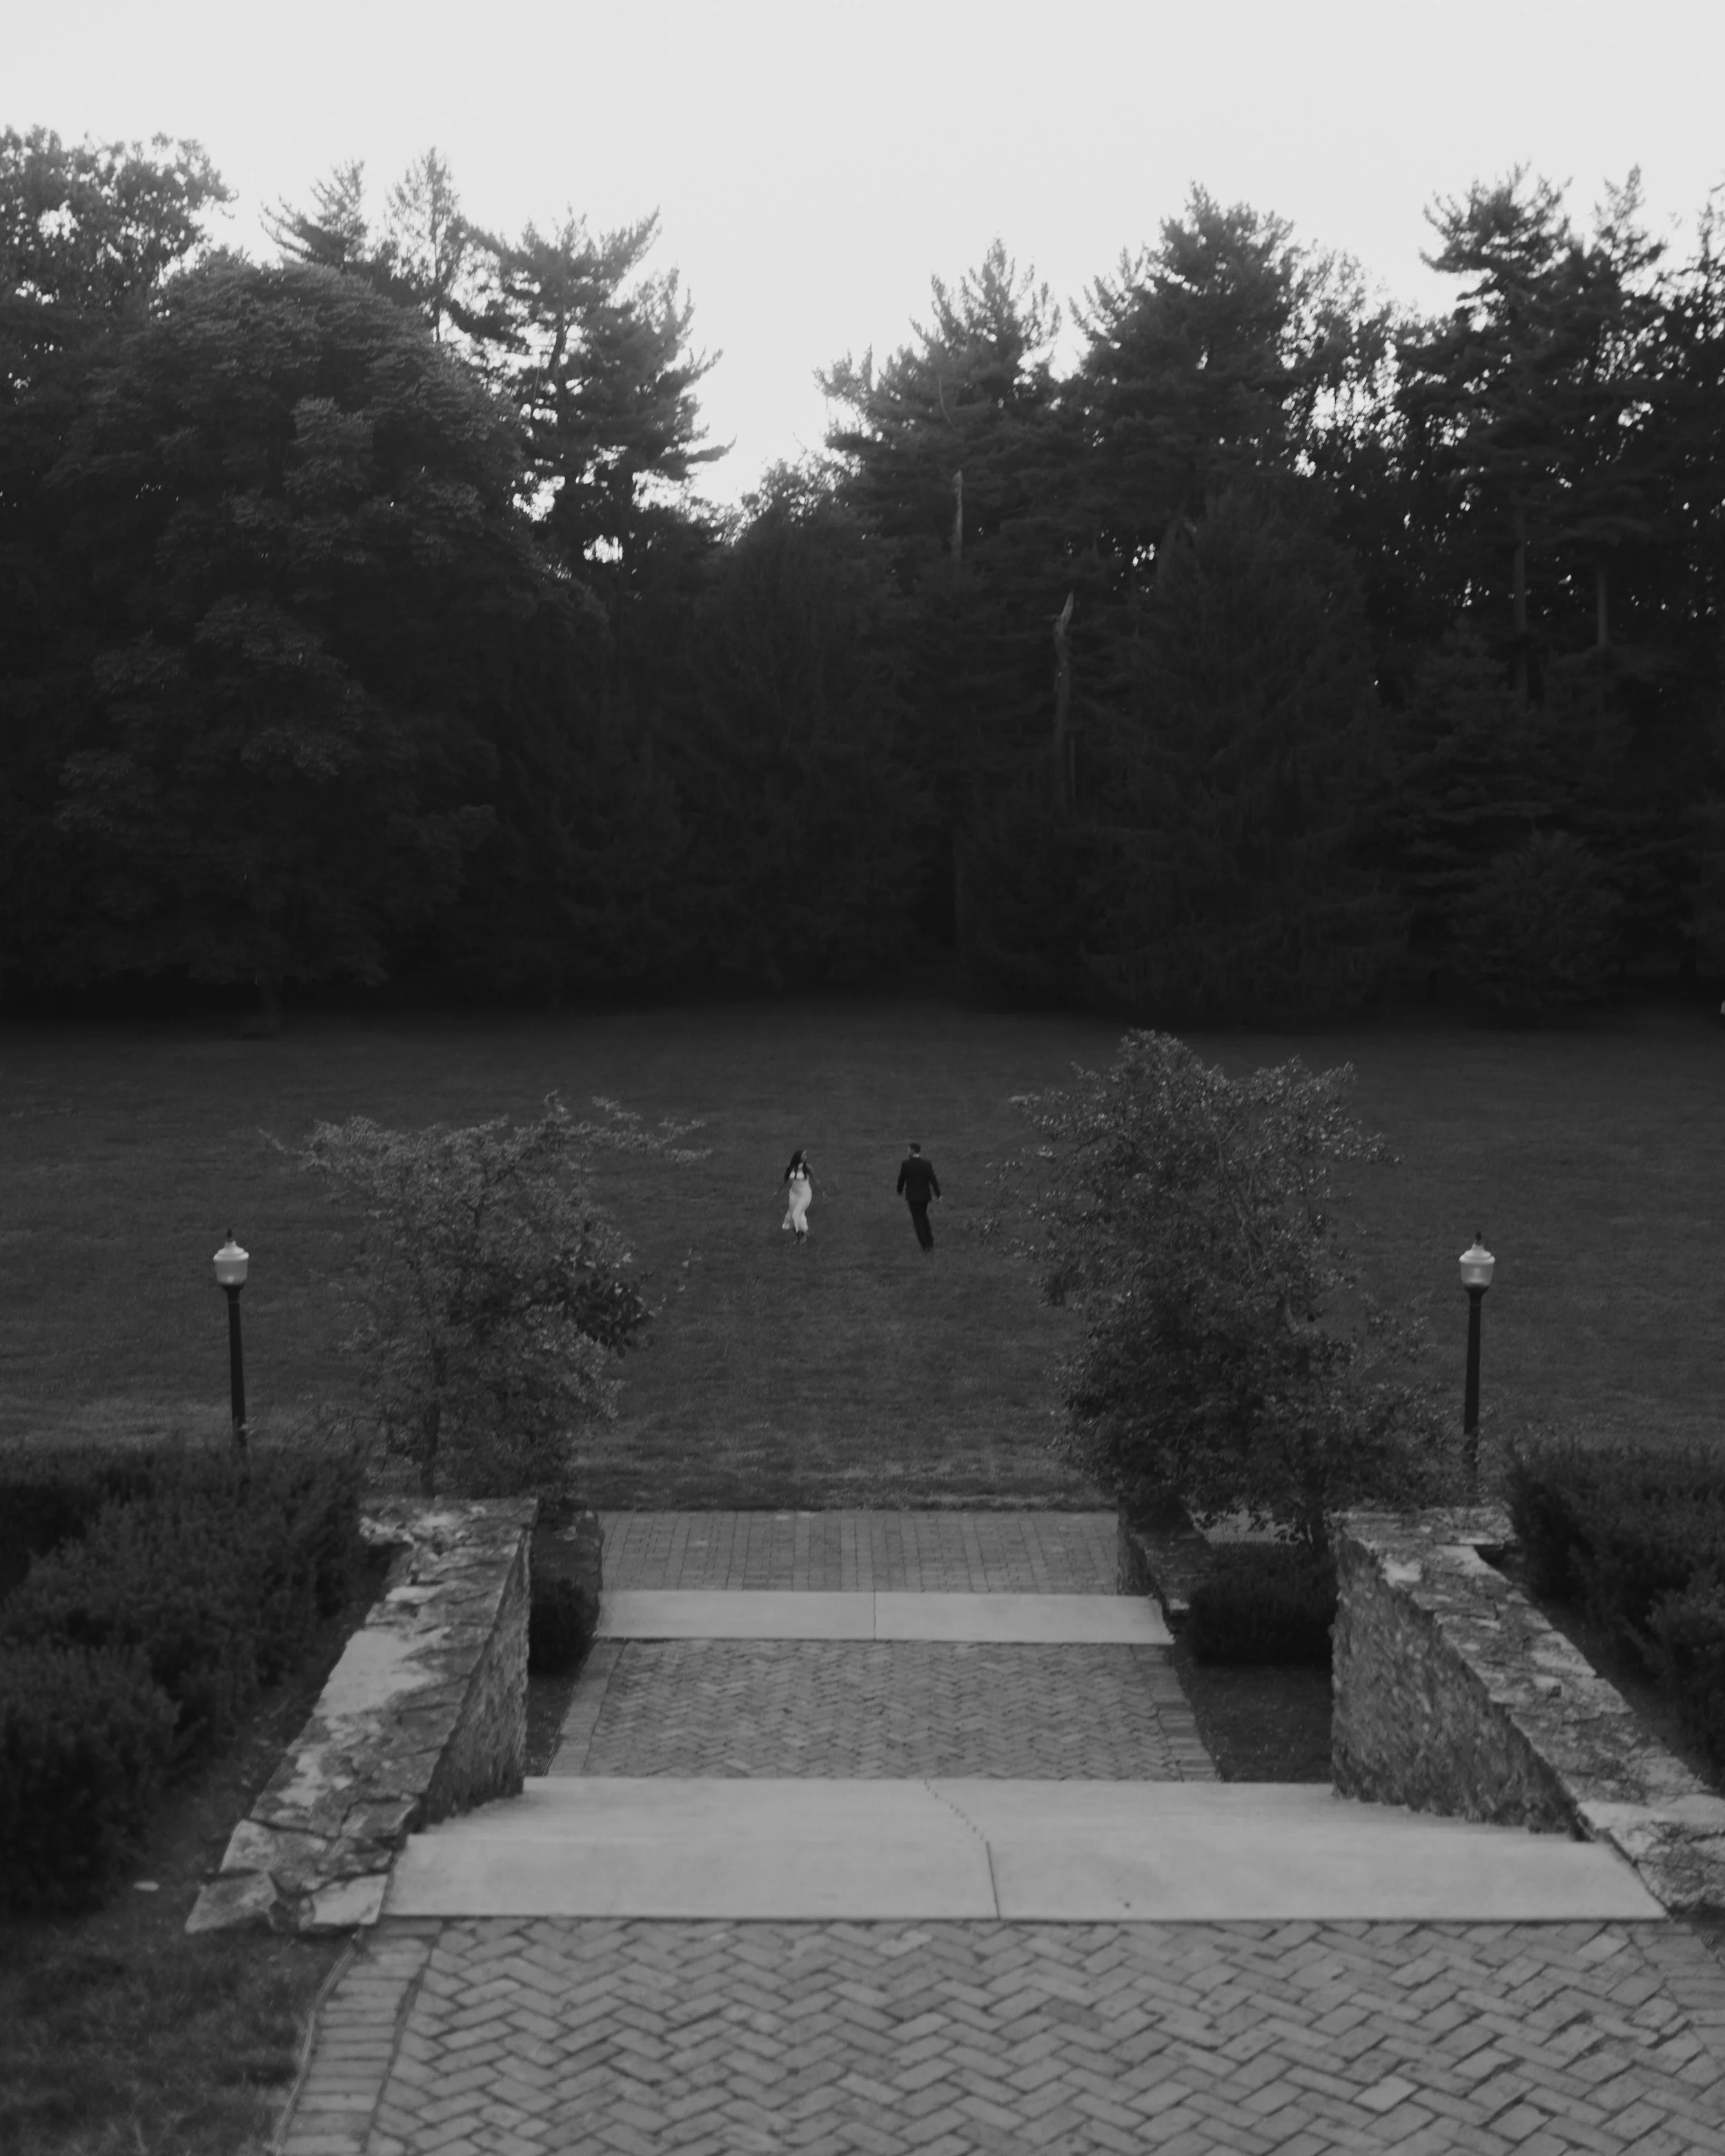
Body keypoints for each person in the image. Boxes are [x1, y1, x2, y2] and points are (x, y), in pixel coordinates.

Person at [896, 1140, 940, 1254]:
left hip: (912, 1196)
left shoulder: (906, 1164)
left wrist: (899, 1190)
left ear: (912, 1151)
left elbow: (901, 1179)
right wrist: (938, 1194)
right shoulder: (926, 1164)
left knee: (918, 1220)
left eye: (908, 1149)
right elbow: (933, 1179)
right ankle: (930, 1241)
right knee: (924, 1217)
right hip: (925, 1196)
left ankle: (925, 1245)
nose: (907, 1151)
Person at [782, 1149, 813, 1241]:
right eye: (802, 1155)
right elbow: (787, 1181)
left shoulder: (808, 1168)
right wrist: (777, 1193)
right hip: (794, 1194)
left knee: (797, 1214)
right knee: (791, 1216)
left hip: (805, 1194)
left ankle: (804, 1234)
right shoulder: (791, 1167)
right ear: (797, 1156)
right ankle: (800, 1235)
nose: (804, 1156)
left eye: (805, 1155)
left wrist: (823, 1193)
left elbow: (816, 1181)